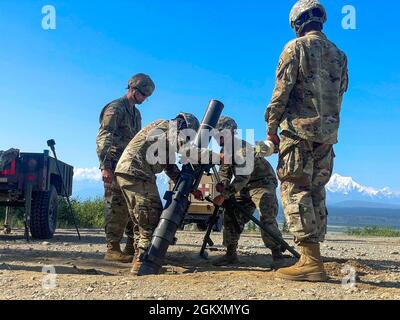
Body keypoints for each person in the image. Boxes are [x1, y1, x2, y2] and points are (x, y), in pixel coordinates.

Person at [264, 0, 349, 281]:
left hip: (298, 132)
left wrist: (271, 128)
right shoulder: (339, 54)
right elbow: (340, 93)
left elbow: (282, 91)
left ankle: (310, 262)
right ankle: (313, 257)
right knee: (315, 191)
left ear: (297, 22)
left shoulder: (295, 48)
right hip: (327, 136)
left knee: (294, 188)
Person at [115, 113, 209, 274]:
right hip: (137, 172)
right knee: (151, 216)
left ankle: (141, 256)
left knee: (141, 219)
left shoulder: (163, 135)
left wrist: (191, 188)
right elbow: (186, 150)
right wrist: (215, 156)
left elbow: (170, 167)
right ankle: (143, 265)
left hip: (130, 172)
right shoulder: (170, 126)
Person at [96, 73, 155, 263]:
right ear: (133, 89)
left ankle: (131, 246)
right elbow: (105, 137)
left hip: (129, 166)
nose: (145, 100)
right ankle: (112, 248)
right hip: (114, 165)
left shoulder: (136, 113)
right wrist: (105, 166)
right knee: (115, 205)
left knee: (132, 206)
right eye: (143, 95)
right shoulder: (115, 108)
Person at [212, 116, 285, 267]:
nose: (216, 138)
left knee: (266, 215)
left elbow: (242, 178)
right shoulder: (224, 151)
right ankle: (230, 254)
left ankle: (277, 255)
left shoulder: (244, 150)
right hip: (244, 186)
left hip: (262, 183)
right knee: (231, 213)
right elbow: (225, 173)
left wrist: (225, 195)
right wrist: (222, 189)